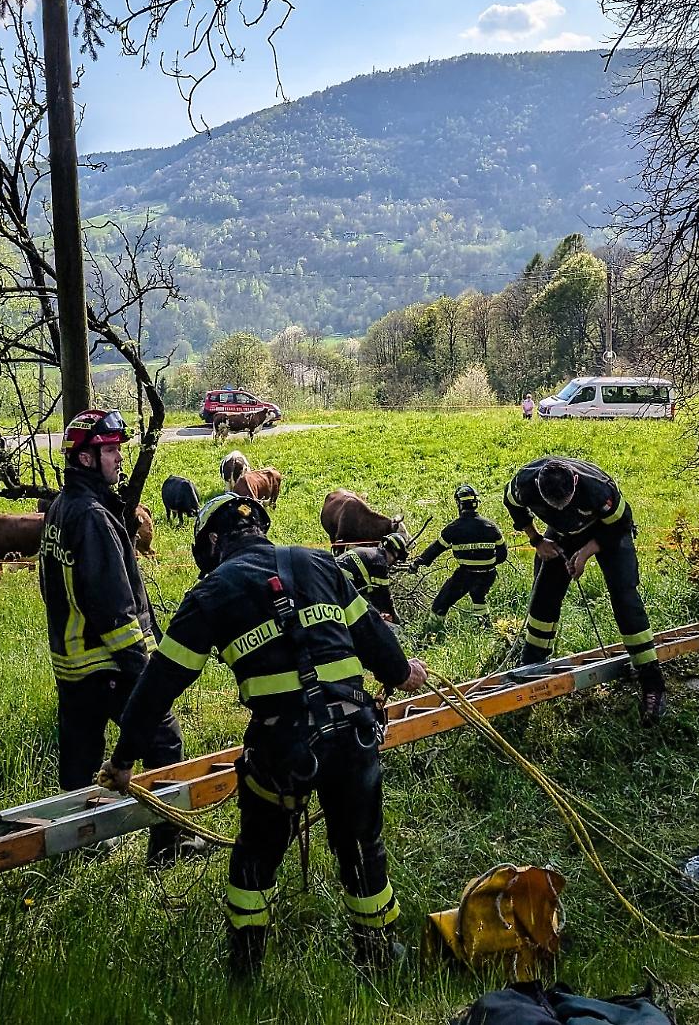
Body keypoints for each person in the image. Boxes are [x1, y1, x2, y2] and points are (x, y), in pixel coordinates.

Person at [100, 491, 428, 977]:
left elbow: (158, 685)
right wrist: (404, 673)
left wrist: (124, 760)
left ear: (212, 542)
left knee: (256, 854)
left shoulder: (210, 594)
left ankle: (246, 967)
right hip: (352, 737)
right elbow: (376, 639)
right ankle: (378, 955)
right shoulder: (320, 563)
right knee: (362, 846)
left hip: (281, 749)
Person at [38, 408, 192, 863]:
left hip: (72, 664)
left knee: (80, 759)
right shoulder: (94, 518)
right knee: (164, 742)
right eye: (110, 451)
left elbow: (53, 589)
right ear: (85, 458)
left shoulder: (61, 509)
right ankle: (170, 845)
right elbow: (114, 610)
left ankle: (80, 847)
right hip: (109, 663)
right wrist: (146, 675)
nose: (119, 458)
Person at [502, 456, 667, 724]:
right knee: (543, 597)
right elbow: (512, 504)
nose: (558, 508)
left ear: (576, 482)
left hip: (607, 532)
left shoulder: (598, 489)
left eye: (564, 503)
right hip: (562, 532)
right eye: (552, 504)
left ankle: (652, 683)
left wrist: (585, 553)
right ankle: (530, 669)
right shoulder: (525, 483)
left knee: (624, 597)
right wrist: (537, 540)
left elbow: (622, 524)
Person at [411, 484, 507, 628]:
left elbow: (436, 549)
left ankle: (432, 631)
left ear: (459, 504)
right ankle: (486, 627)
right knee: (478, 597)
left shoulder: (454, 528)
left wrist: (418, 562)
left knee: (441, 603)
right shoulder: (491, 526)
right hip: (488, 575)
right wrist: (487, 564)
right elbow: (503, 554)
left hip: (466, 575)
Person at [335, 530, 409, 621]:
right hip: (340, 582)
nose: (394, 563)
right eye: (397, 559)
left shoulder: (372, 554)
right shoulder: (380, 563)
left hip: (334, 576)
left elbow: (372, 592)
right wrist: (394, 616)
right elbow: (383, 595)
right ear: (395, 553)